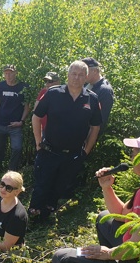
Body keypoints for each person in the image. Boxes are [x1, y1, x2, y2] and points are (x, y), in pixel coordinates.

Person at [52, 133, 140, 263]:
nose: (131, 155)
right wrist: (106, 187)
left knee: (62, 256)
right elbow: (121, 215)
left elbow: (138, 246)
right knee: (104, 218)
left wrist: (108, 253)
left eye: (136, 152)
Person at [30, 61, 102, 219]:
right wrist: (38, 142)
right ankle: (33, 216)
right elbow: (36, 116)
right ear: (68, 75)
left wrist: (86, 151)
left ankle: (48, 213)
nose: (76, 78)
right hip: (48, 150)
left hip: (73, 154)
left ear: (86, 77)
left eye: (81, 75)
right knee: (42, 185)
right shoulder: (53, 93)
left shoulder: (92, 99)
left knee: (60, 187)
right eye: (73, 74)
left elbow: (95, 127)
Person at [0, 64, 31, 171]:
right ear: (4, 74)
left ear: (16, 73)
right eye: (6, 73)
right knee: (0, 148)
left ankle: (12, 170)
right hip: (0, 123)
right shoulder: (0, 86)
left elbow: (27, 107)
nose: (8, 76)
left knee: (17, 148)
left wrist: (21, 122)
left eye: (11, 73)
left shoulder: (23, 87)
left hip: (15, 125)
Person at [82, 57, 115, 135]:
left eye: (85, 71)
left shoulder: (104, 91)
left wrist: (89, 144)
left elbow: (100, 121)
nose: (82, 74)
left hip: (87, 136)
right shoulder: (86, 83)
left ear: (95, 71)